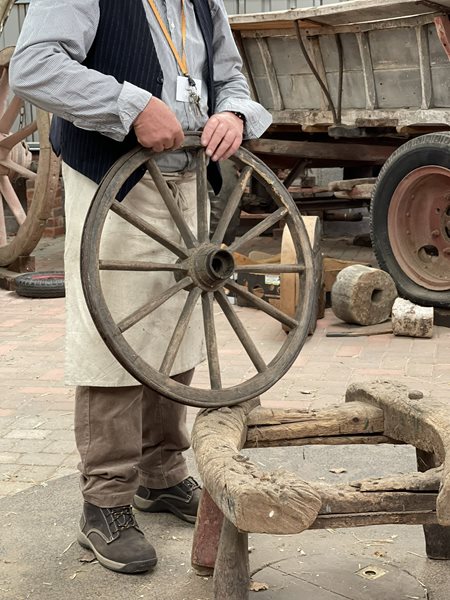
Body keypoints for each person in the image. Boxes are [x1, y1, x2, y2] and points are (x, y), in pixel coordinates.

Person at [9, 0, 271, 575]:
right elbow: (33, 65)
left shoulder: (204, 3)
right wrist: (131, 106)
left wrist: (234, 114)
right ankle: (104, 503)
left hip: (186, 182)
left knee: (176, 328)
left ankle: (162, 474)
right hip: (116, 181)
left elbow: (230, 78)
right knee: (111, 339)